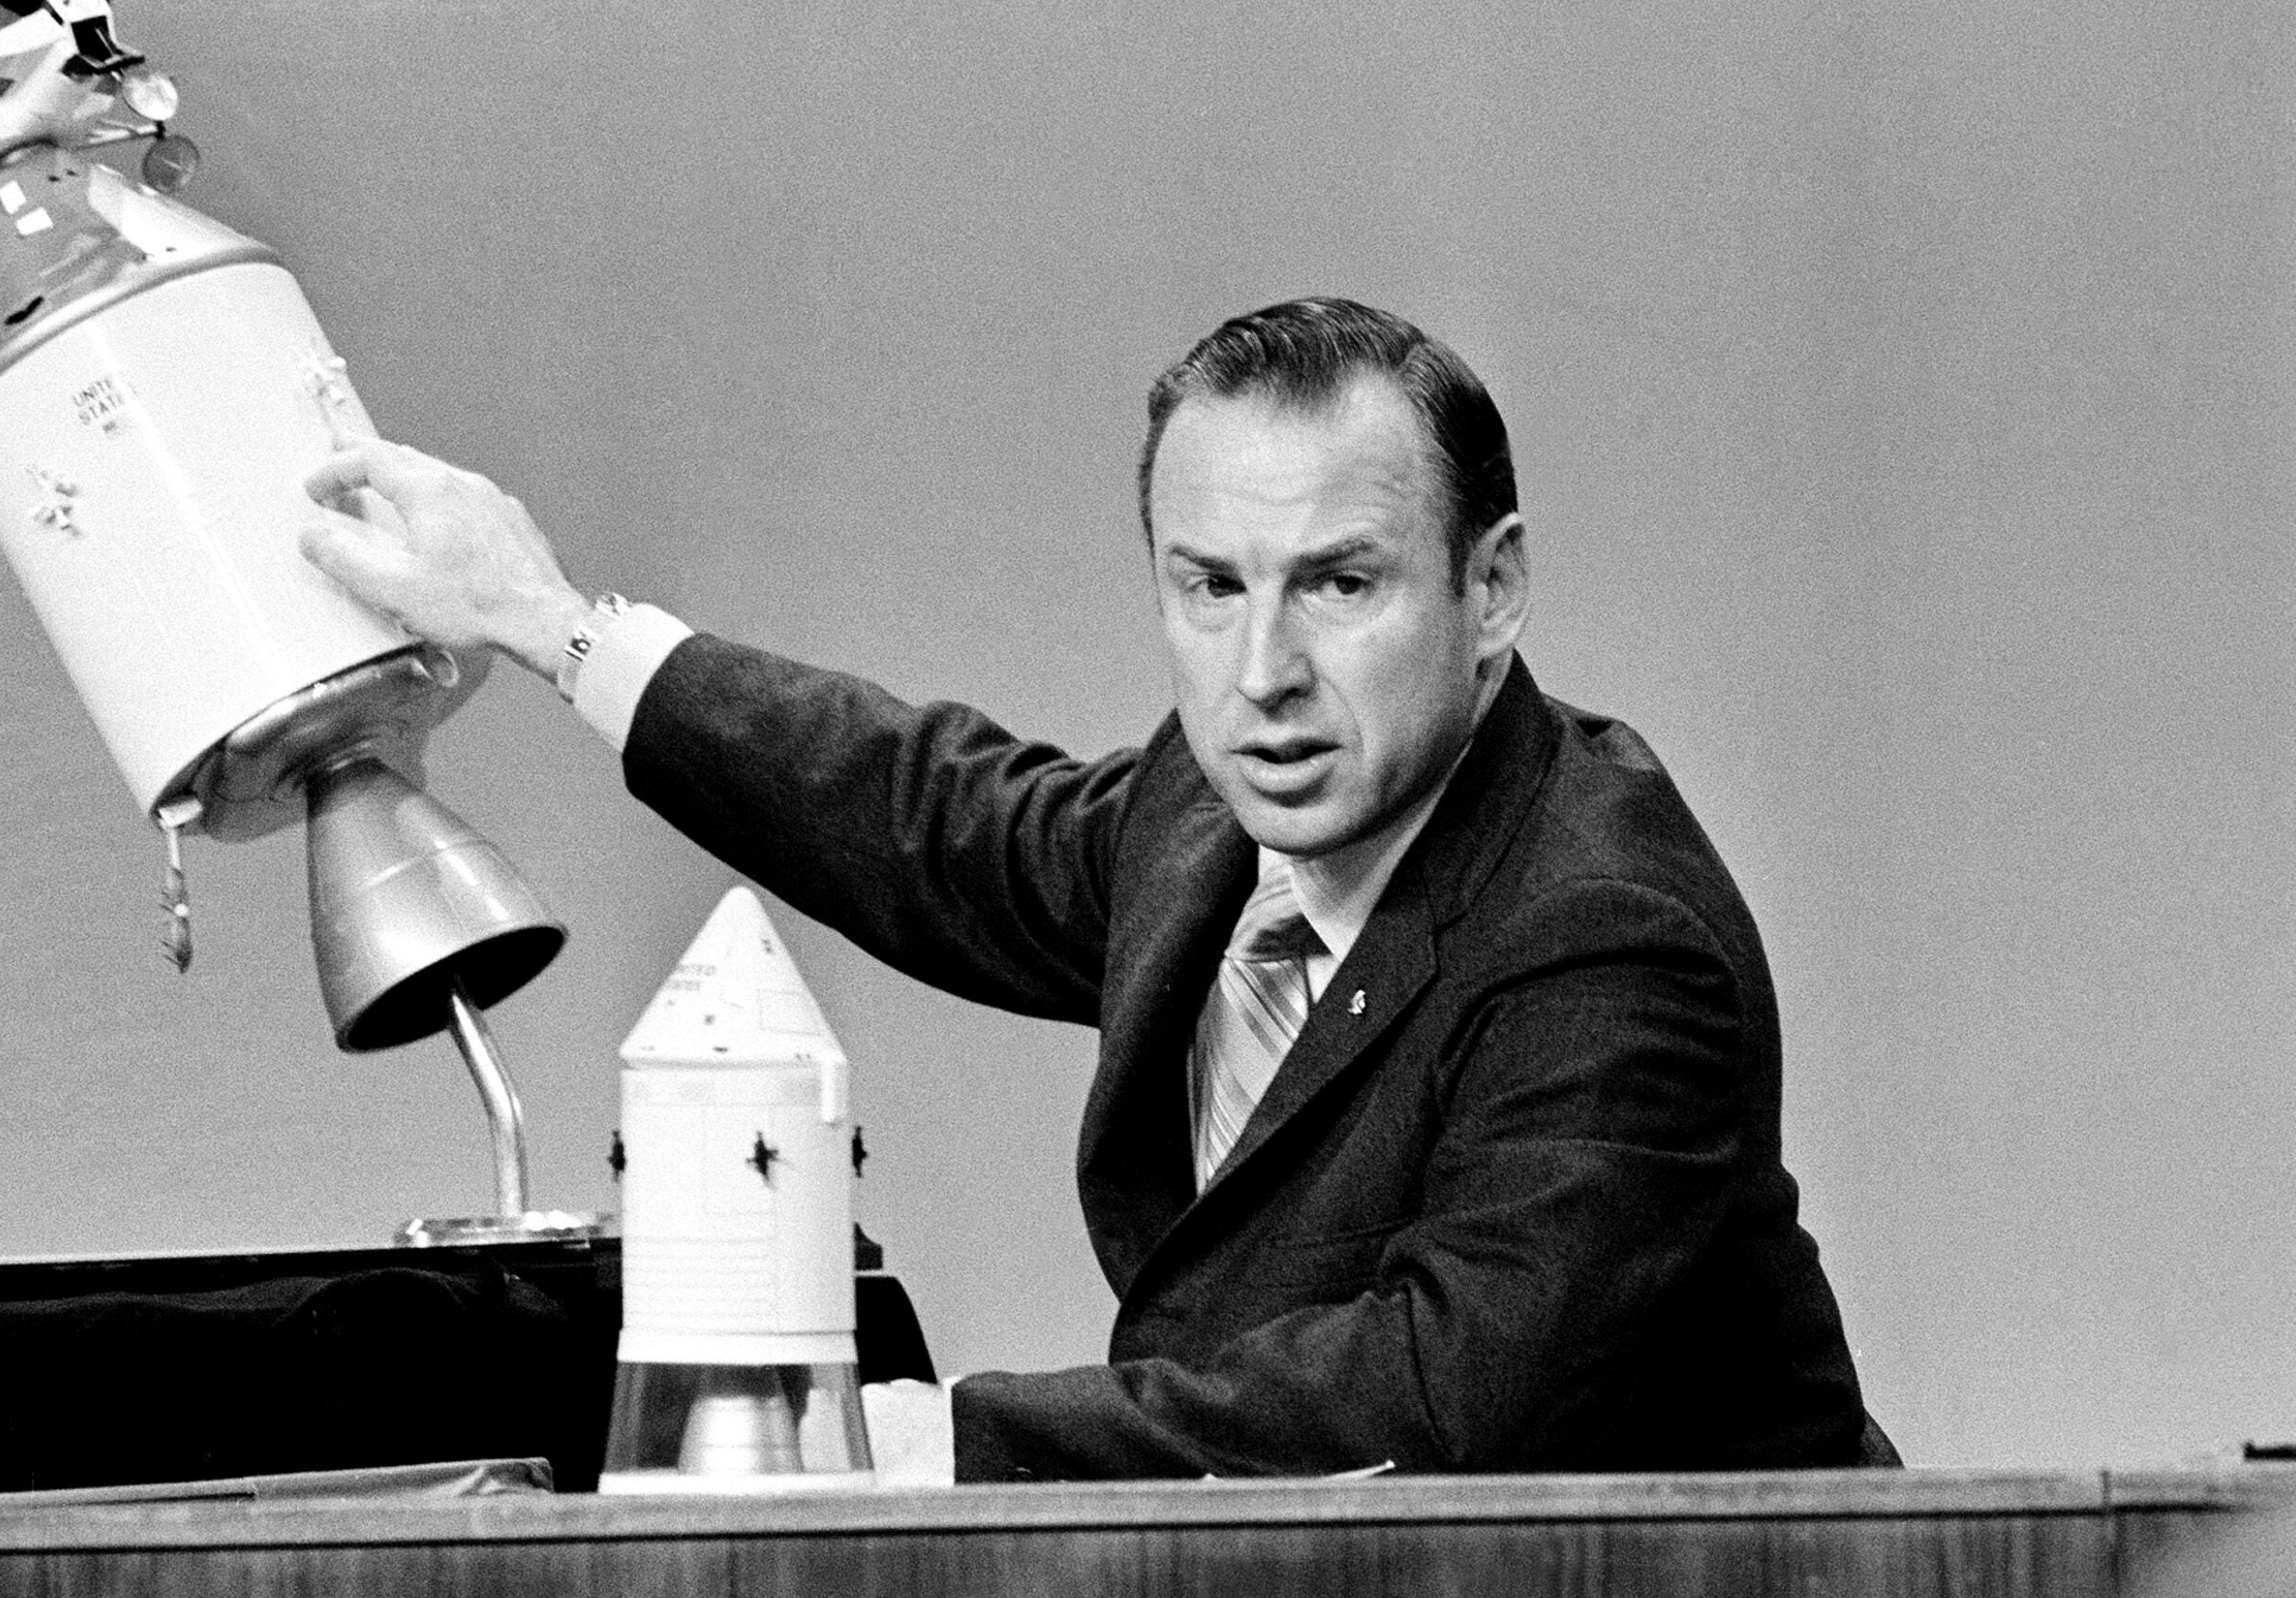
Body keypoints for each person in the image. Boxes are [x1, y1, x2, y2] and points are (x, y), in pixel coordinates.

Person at [302, 297, 1884, 1481]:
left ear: (1493, 589)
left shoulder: (1603, 927)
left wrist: (949, 1449)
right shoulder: (1215, 811)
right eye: (1210, 586)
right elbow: (936, 819)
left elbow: (1444, 1393)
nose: (1263, 674)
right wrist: (549, 623)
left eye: (1341, 583)